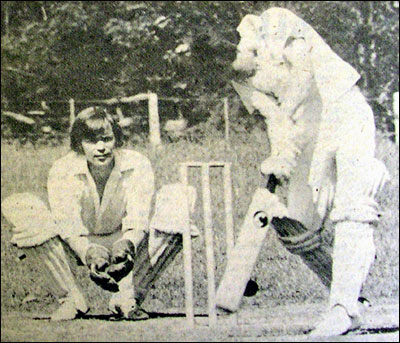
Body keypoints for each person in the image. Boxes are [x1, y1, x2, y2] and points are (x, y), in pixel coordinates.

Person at [230, 7, 389, 337]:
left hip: (343, 111)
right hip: (309, 130)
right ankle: (349, 298)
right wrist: (280, 155)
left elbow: (304, 72)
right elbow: (273, 117)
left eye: (234, 51)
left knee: (352, 208)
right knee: (295, 225)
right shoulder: (237, 78)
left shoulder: (273, 21)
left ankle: (342, 308)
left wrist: (286, 118)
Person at [1, 106, 197, 321]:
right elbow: (68, 226)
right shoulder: (62, 169)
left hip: (124, 238)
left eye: (106, 139)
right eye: (92, 141)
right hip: (77, 243)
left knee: (181, 196)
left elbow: (138, 218)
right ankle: (70, 300)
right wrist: (89, 253)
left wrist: (128, 244)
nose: (101, 147)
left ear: (117, 139)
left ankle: (129, 298)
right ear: (78, 144)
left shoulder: (137, 163)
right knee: (19, 206)